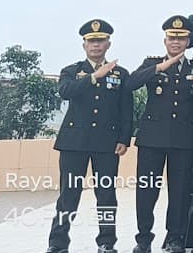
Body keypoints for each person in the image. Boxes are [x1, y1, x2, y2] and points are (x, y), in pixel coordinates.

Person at [47, 20, 133, 253]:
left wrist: (124, 139)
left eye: (100, 41)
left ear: (108, 44)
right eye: (91, 41)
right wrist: (95, 76)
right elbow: (66, 92)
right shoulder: (72, 71)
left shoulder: (121, 74)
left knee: (106, 195)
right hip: (74, 143)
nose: (96, 45)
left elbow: (126, 110)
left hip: (106, 144)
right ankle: (58, 242)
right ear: (84, 44)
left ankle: (106, 242)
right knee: (69, 195)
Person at [126, 16, 193, 253]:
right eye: (171, 38)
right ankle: (144, 237)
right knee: (147, 189)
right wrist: (159, 68)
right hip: (152, 138)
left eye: (180, 38)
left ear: (188, 41)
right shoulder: (152, 62)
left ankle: (175, 237)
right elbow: (130, 84)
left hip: (183, 139)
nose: (175, 43)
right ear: (165, 40)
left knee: (179, 191)